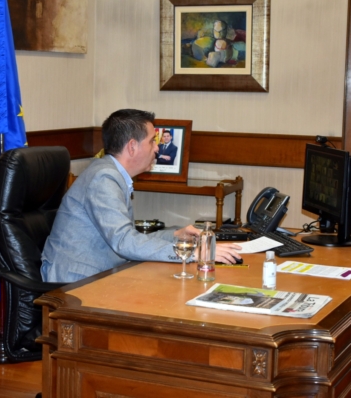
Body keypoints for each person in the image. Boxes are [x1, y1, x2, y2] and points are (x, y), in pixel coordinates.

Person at [41, 109, 242, 283]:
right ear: (131, 146)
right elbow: (125, 243)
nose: (157, 148)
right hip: (75, 283)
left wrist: (176, 236)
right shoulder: (103, 178)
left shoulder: (111, 173)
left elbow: (129, 237)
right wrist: (192, 254)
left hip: (99, 276)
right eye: (152, 141)